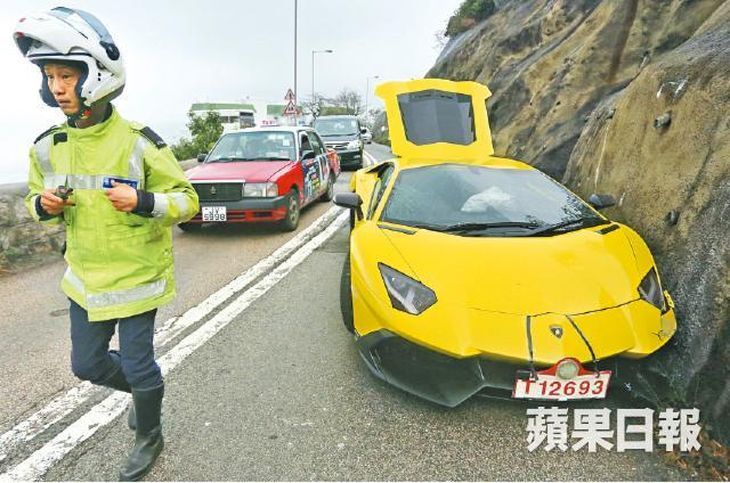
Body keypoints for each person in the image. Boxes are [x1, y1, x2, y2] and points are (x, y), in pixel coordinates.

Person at [14, 7, 199, 481]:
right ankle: (144, 393)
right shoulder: (45, 146)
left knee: (139, 365)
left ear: (95, 75)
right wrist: (46, 206)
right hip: (84, 280)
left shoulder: (139, 142)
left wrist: (143, 199)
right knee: (86, 365)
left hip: (137, 278)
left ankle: (148, 433)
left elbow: (188, 200)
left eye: (66, 75)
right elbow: (34, 200)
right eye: (50, 75)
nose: (56, 86)